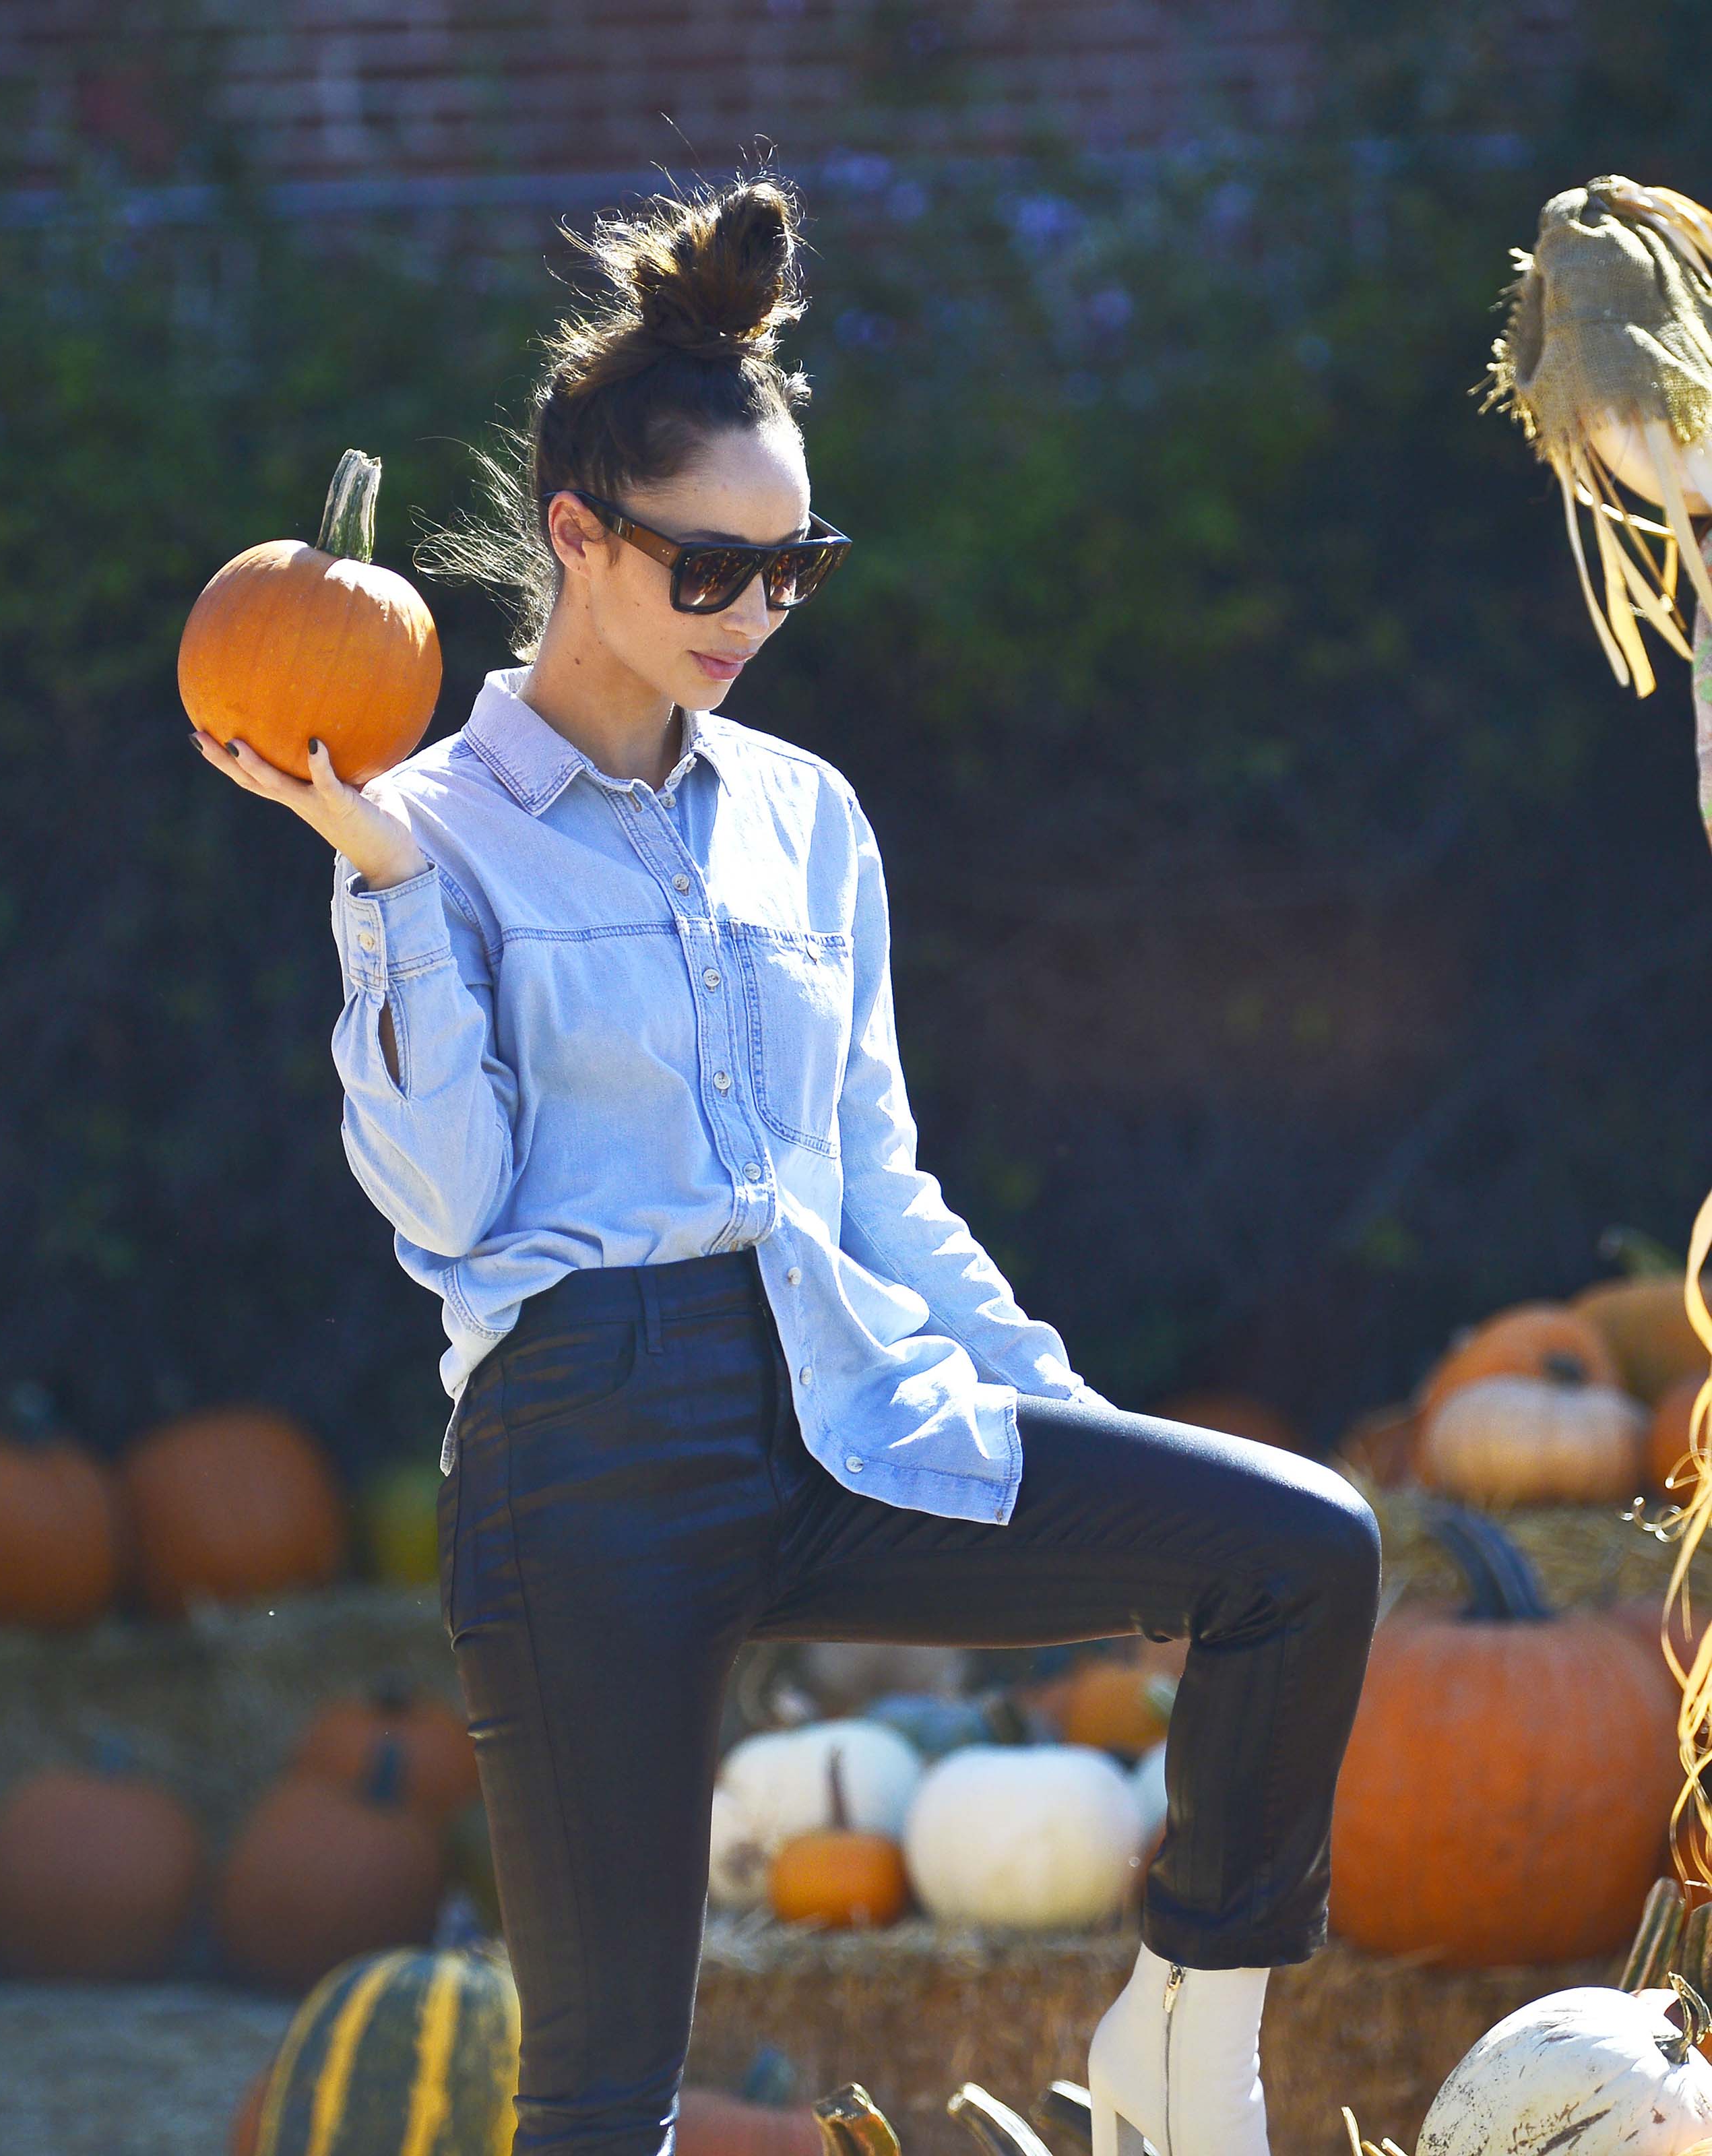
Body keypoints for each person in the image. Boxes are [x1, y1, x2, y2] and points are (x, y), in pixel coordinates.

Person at [191, 167, 1382, 2156]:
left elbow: (878, 1181)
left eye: (791, 568)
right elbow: (450, 1209)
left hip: (851, 1402)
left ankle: (1192, 2036)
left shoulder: (808, 818)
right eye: (706, 570)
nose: (754, 614)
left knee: (1295, 1552)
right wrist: (385, 887)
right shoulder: (426, 825)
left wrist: (1063, 1425)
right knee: (598, 2100)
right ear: (579, 538)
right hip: (588, 1446)